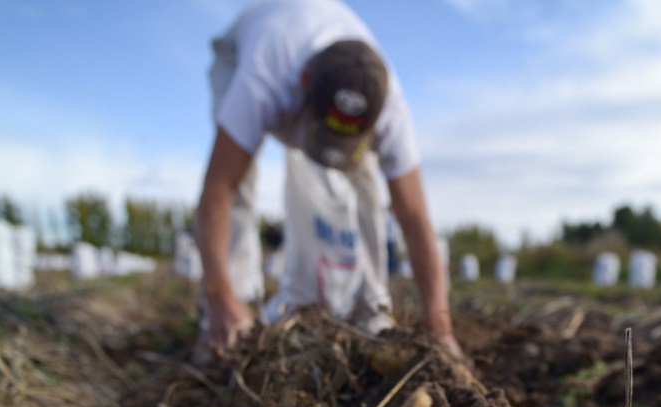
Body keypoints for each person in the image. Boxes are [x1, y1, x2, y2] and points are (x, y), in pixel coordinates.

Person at [194, 0, 464, 360]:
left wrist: (439, 328)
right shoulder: (262, 80)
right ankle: (228, 319)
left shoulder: (391, 111)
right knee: (239, 185)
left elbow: (414, 218)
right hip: (250, 49)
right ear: (303, 85)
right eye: (328, 134)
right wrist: (218, 292)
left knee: (366, 183)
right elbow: (218, 190)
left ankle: (370, 312)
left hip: (314, 72)